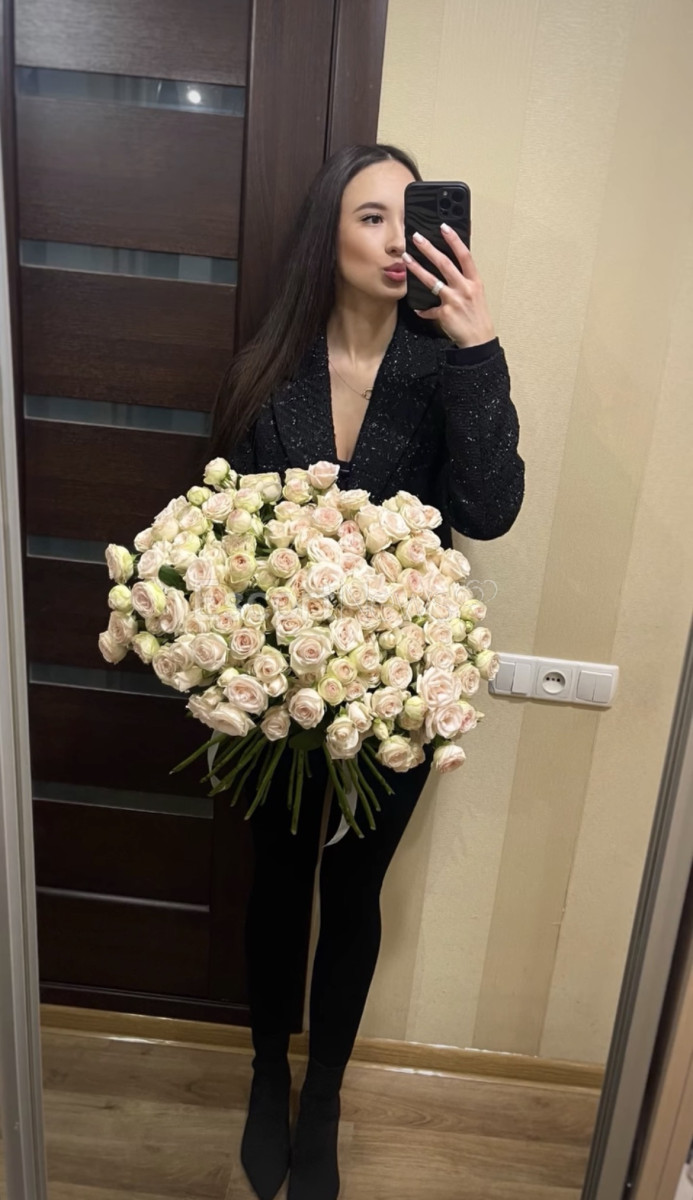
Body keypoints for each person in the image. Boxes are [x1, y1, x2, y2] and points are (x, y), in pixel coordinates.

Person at [210, 143, 525, 1200]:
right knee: (275, 884)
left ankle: (325, 1096)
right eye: (371, 218)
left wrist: (477, 347)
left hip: (397, 694)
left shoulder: (444, 370)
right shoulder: (269, 368)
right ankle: (267, 1074)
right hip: (273, 693)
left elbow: (488, 509)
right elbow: (227, 533)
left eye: (412, 218)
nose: (398, 241)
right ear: (329, 235)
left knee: (352, 893)